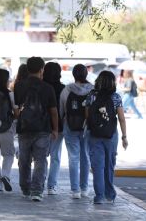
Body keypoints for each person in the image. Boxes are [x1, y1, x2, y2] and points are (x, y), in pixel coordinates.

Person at [14, 57, 58, 202]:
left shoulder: (19, 86)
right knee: (40, 160)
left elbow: (17, 108)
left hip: (24, 128)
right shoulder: (47, 88)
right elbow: (53, 111)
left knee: (24, 159)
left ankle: (25, 188)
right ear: (41, 69)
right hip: (42, 129)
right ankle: (37, 191)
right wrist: (55, 129)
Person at [85, 70, 128, 204]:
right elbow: (121, 118)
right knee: (109, 165)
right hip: (111, 135)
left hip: (94, 134)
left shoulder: (91, 96)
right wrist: (124, 137)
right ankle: (110, 194)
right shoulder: (116, 97)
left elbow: (87, 117)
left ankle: (99, 196)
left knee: (97, 167)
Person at [59, 64, 94, 199]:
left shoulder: (67, 90)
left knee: (73, 158)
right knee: (85, 157)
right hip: (87, 127)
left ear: (74, 75)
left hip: (70, 126)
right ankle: (84, 188)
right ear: (86, 74)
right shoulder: (92, 90)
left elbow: (61, 109)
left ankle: (75, 190)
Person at [42, 62, 65, 195]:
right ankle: (51, 186)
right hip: (59, 126)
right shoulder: (63, 88)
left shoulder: (41, 86)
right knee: (55, 156)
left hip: (42, 125)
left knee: (42, 155)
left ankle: (40, 180)